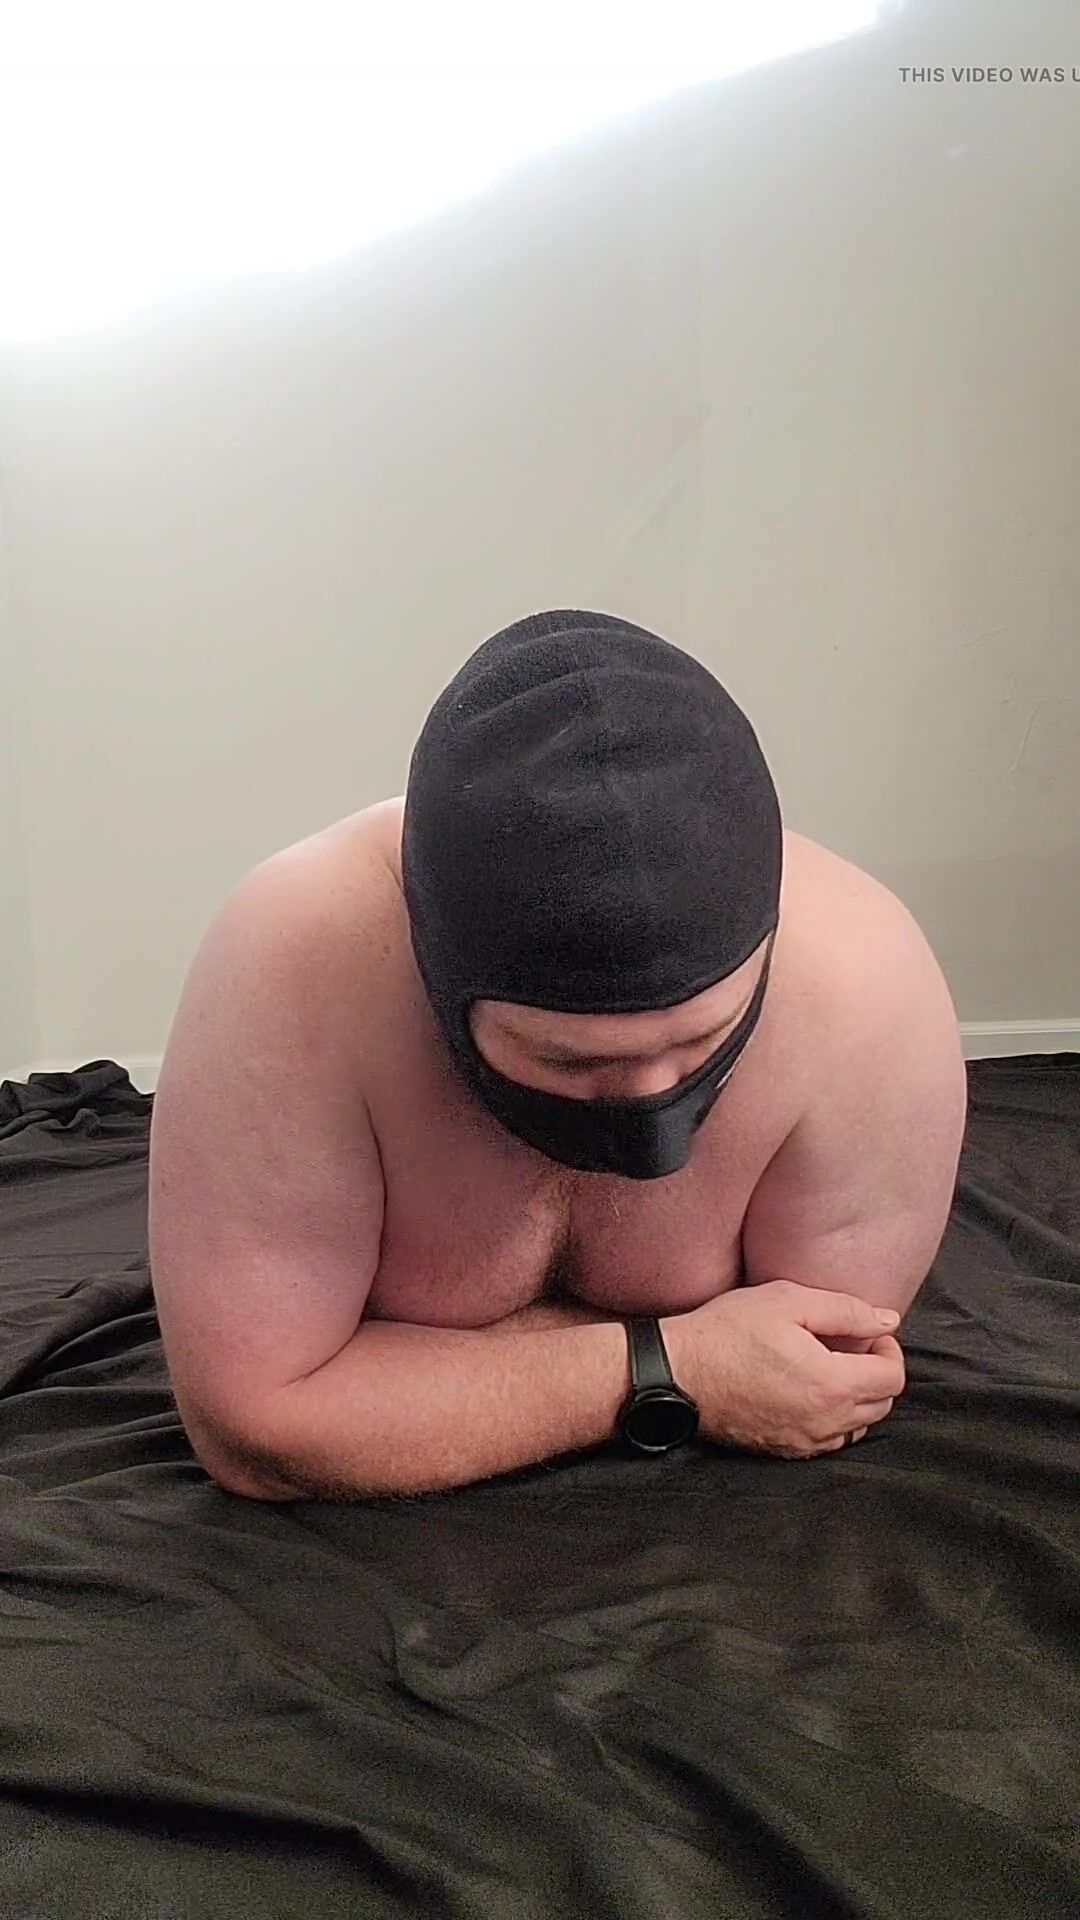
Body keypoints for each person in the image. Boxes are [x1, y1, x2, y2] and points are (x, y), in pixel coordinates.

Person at [148, 610, 967, 1501]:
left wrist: (402, 1381)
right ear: (432, 969)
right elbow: (256, 1434)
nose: (653, 1111)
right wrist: (680, 1364)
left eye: (704, 1040)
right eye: (568, 1061)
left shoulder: (864, 979)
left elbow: (818, 1370)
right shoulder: (300, 959)